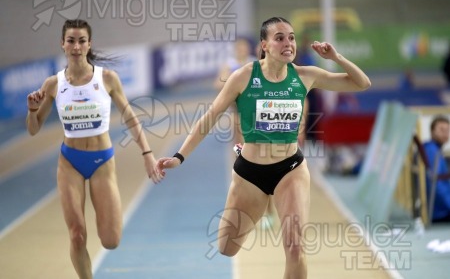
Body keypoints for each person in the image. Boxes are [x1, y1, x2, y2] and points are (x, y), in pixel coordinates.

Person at [156, 17, 371, 278]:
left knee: (295, 247)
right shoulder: (244, 76)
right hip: (250, 174)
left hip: (290, 169)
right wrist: (179, 157)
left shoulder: (305, 76)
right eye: (279, 38)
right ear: (265, 45)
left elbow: (362, 83)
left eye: (291, 37)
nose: (288, 43)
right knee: (226, 247)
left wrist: (336, 57)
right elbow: (208, 118)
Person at [26, 19, 161, 279]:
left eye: (81, 41)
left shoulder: (107, 78)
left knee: (111, 240)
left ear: (89, 44)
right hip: (70, 162)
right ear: (62, 44)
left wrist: (147, 154)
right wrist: (32, 112)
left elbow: (130, 117)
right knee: (77, 234)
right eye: (71, 41)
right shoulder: (53, 84)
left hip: (102, 162)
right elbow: (33, 128)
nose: (76, 46)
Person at [215, 37, 257, 145]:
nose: (242, 50)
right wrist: (231, 81)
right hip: (237, 107)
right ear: (236, 50)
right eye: (239, 48)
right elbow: (218, 84)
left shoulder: (254, 62)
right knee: (238, 138)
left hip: (254, 104)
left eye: (244, 48)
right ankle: (238, 158)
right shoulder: (230, 64)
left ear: (248, 49)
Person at [423, 115, 450, 222]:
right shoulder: (432, 151)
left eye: (447, 130)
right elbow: (435, 184)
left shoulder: (434, 150)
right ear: (432, 131)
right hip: (440, 212)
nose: (445, 133)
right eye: (441, 130)